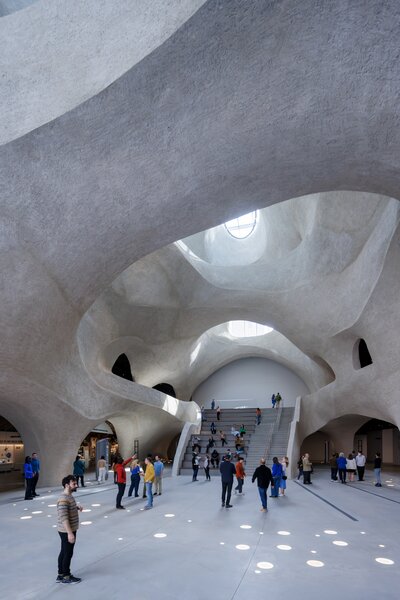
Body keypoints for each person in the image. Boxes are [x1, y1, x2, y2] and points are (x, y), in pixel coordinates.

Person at [56, 475, 83, 584]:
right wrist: (70, 533)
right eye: (74, 484)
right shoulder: (63, 499)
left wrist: (76, 507)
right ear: (67, 485)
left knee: (64, 551)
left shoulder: (69, 496)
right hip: (66, 530)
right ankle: (66, 576)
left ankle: (61, 574)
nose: (76, 485)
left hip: (67, 530)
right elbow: (64, 517)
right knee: (68, 553)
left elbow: (67, 509)